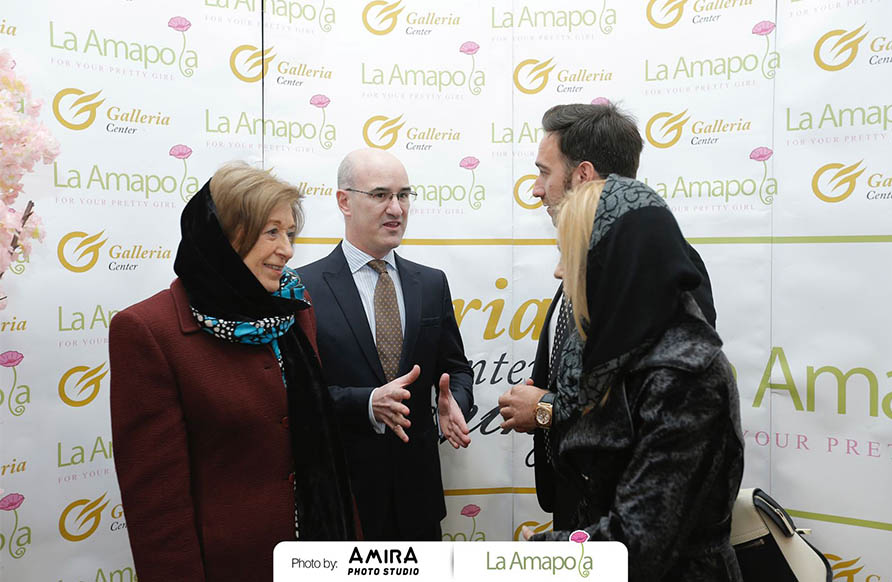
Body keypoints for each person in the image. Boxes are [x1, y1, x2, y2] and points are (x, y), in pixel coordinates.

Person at [109, 162, 358, 582]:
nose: (287, 250)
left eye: (290, 234)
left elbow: (324, 449)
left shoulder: (294, 309)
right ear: (224, 235)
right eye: (272, 232)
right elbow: (156, 506)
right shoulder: (148, 330)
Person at [498, 102, 717, 529]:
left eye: (544, 172)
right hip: (578, 501)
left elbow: (661, 403)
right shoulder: (593, 256)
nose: (536, 190)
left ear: (582, 175)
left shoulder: (660, 268)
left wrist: (544, 409)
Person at [527, 177, 744, 582]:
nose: (559, 272)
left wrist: (522, 560)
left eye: (568, 256)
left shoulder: (685, 378)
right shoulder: (617, 353)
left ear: (612, 264)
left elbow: (635, 547)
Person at [296, 148, 474, 541]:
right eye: (380, 195)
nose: (396, 209)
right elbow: (297, 394)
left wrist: (455, 402)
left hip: (418, 501)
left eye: (404, 195)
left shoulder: (431, 284)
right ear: (344, 201)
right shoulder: (302, 288)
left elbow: (456, 368)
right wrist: (367, 403)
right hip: (343, 502)